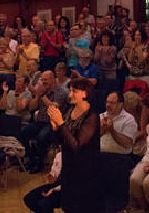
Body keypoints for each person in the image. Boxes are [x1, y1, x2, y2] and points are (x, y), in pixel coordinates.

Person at [47, 78, 100, 213]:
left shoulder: (92, 116)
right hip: (69, 166)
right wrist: (55, 127)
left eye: (74, 91)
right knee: (68, 206)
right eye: (70, 90)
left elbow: (77, 146)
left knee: (80, 207)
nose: (70, 95)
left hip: (84, 170)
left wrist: (61, 124)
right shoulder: (70, 111)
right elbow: (60, 140)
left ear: (85, 93)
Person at [24, 71, 69, 174]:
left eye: (46, 80)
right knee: (23, 132)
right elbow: (32, 107)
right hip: (40, 121)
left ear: (53, 79)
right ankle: (32, 159)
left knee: (42, 137)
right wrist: (37, 96)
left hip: (52, 124)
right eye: (42, 80)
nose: (44, 82)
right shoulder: (42, 92)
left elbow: (54, 107)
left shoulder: (60, 92)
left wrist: (42, 95)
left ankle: (40, 164)